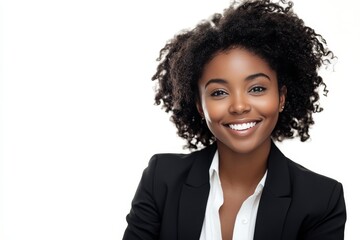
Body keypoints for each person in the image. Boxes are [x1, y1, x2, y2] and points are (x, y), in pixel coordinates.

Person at [122, 0, 346, 239]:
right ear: (200, 106)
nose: (239, 106)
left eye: (257, 89)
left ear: (281, 98)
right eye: (219, 92)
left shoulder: (321, 199)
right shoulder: (162, 180)